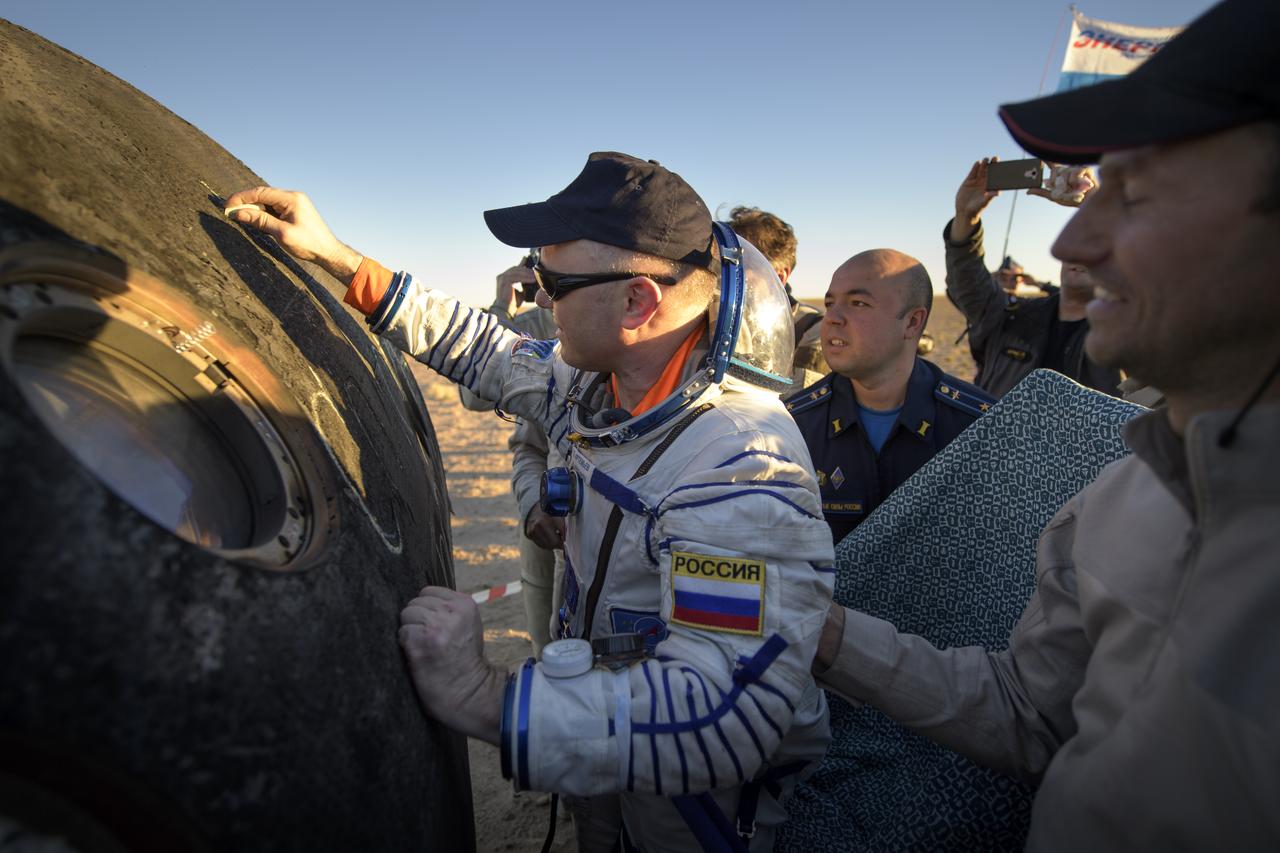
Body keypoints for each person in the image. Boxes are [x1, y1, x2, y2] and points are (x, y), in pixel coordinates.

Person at [224, 152, 835, 851]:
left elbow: (720, 717)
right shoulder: (601, 384)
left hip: (697, 803)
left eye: (554, 281)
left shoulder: (739, 470)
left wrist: (483, 695)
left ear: (637, 301)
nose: (539, 298)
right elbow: (485, 349)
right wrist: (339, 259)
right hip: (602, 733)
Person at [814, 0, 1280, 848]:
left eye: (1133, 195)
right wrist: (825, 630)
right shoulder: (1115, 496)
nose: (1073, 242)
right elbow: (1032, 714)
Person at [785, 249, 994, 543]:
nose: (832, 318)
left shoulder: (980, 428)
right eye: (830, 303)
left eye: (858, 303)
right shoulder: (792, 426)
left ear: (912, 323)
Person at [945, 159, 1122, 398]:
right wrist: (965, 218)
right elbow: (969, 285)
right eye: (1076, 245)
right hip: (999, 434)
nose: (1080, 255)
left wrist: (1096, 202)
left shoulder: (1123, 327)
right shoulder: (1014, 315)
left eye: (1094, 248)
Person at [457, 261, 564, 658]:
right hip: (544, 506)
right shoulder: (535, 323)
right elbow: (474, 398)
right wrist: (502, 308)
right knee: (544, 640)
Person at [727, 206, 829, 387]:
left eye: (742, 264)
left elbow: (798, 402)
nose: (726, 273)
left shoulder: (812, 328)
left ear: (779, 276)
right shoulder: (723, 316)